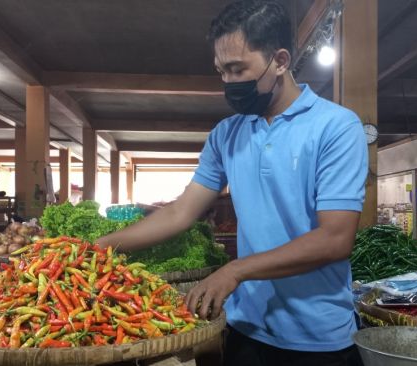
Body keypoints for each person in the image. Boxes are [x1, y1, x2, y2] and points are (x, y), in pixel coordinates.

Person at [96, 1, 368, 365]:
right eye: (221, 71)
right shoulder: (226, 135)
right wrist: (99, 247)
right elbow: (180, 212)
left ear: (281, 61)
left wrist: (236, 270)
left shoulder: (336, 127)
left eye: (238, 69)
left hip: (318, 339)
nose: (228, 82)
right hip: (246, 329)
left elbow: (335, 238)